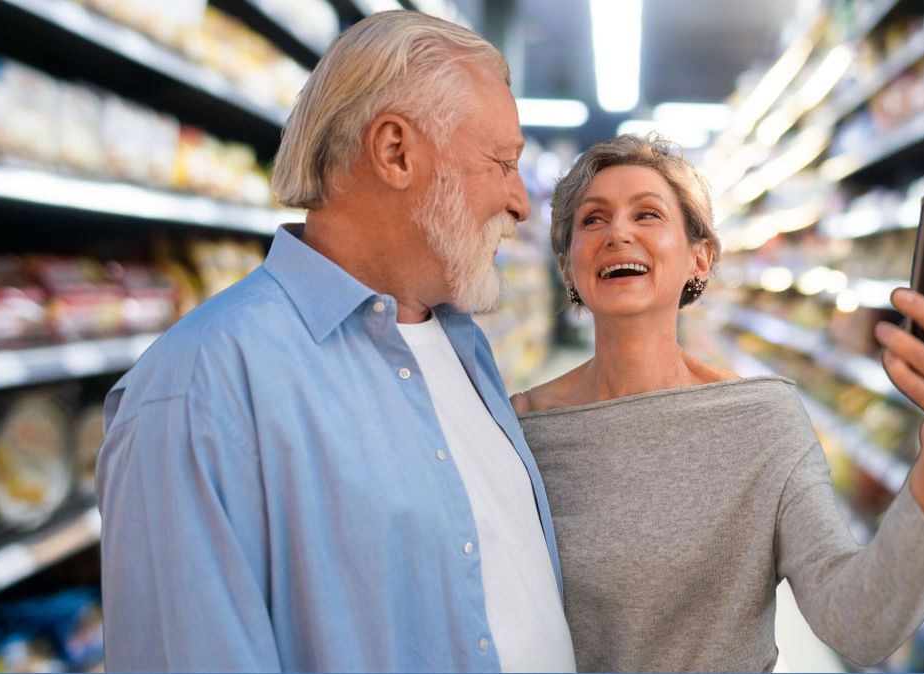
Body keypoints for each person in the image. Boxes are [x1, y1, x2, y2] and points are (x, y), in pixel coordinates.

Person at [95, 11, 575, 672]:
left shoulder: (464, 347)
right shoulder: (199, 391)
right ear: (396, 152)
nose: (521, 202)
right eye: (502, 163)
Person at [510, 134, 924, 672]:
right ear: (569, 267)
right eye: (592, 220)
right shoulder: (520, 427)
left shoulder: (762, 423)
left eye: (648, 215)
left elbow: (858, 623)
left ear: (698, 259)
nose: (617, 233)